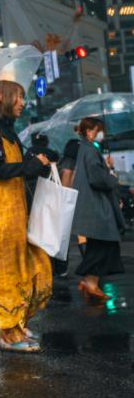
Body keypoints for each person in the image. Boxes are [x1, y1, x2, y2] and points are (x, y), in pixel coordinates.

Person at [0, 80, 52, 353]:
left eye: (23, 98)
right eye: (19, 97)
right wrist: (29, 165)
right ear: (3, 97)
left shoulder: (7, 132)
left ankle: (18, 323)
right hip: (1, 218)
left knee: (33, 266)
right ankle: (8, 334)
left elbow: (16, 167)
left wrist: (35, 162)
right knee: (8, 275)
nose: (23, 103)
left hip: (17, 213)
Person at [72, 117, 125, 301]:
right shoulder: (90, 151)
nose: (101, 133)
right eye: (98, 129)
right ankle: (90, 282)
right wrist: (112, 176)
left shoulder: (86, 149)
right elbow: (97, 178)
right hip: (96, 207)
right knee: (103, 244)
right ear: (89, 132)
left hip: (94, 205)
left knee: (99, 245)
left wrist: (107, 166)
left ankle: (89, 281)